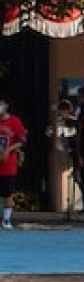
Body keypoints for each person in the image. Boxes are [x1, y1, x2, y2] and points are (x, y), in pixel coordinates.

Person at [0, 96, 27, 229]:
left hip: (8, 164)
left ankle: (6, 220)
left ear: (5, 105)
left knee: (7, 193)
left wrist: (9, 149)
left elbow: (22, 140)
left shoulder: (14, 121)